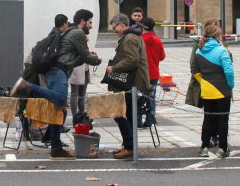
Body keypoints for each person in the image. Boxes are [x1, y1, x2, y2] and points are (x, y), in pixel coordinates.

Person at [11, 10, 101, 159]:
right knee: (60, 100)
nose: (91, 26)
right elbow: (85, 57)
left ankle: (56, 147)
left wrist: (87, 57)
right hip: (58, 71)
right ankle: (27, 85)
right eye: (90, 22)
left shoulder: (68, 33)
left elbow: (74, 59)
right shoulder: (78, 34)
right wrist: (96, 60)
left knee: (57, 108)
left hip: (55, 70)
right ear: (82, 21)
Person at [106, 13, 150, 160]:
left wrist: (115, 68)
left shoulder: (129, 38)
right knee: (127, 115)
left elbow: (132, 59)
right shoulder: (130, 36)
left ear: (123, 25)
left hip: (132, 82)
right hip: (132, 82)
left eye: (115, 27)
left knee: (120, 114)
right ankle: (129, 145)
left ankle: (130, 147)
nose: (114, 30)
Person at [192, 24, 234, 158]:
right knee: (223, 120)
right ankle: (222, 148)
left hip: (207, 89)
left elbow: (195, 71)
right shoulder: (222, 51)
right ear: (217, 36)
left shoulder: (199, 51)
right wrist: (230, 85)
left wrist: (203, 82)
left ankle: (204, 147)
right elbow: (229, 71)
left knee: (208, 119)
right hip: (222, 90)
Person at [140, 17, 165, 126]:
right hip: (154, 73)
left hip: (141, 74)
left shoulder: (139, 39)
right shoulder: (157, 40)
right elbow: (162, 57)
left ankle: (138, 120)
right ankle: (150, 120)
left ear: (142, 26)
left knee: (139, 98)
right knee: (151, 98)